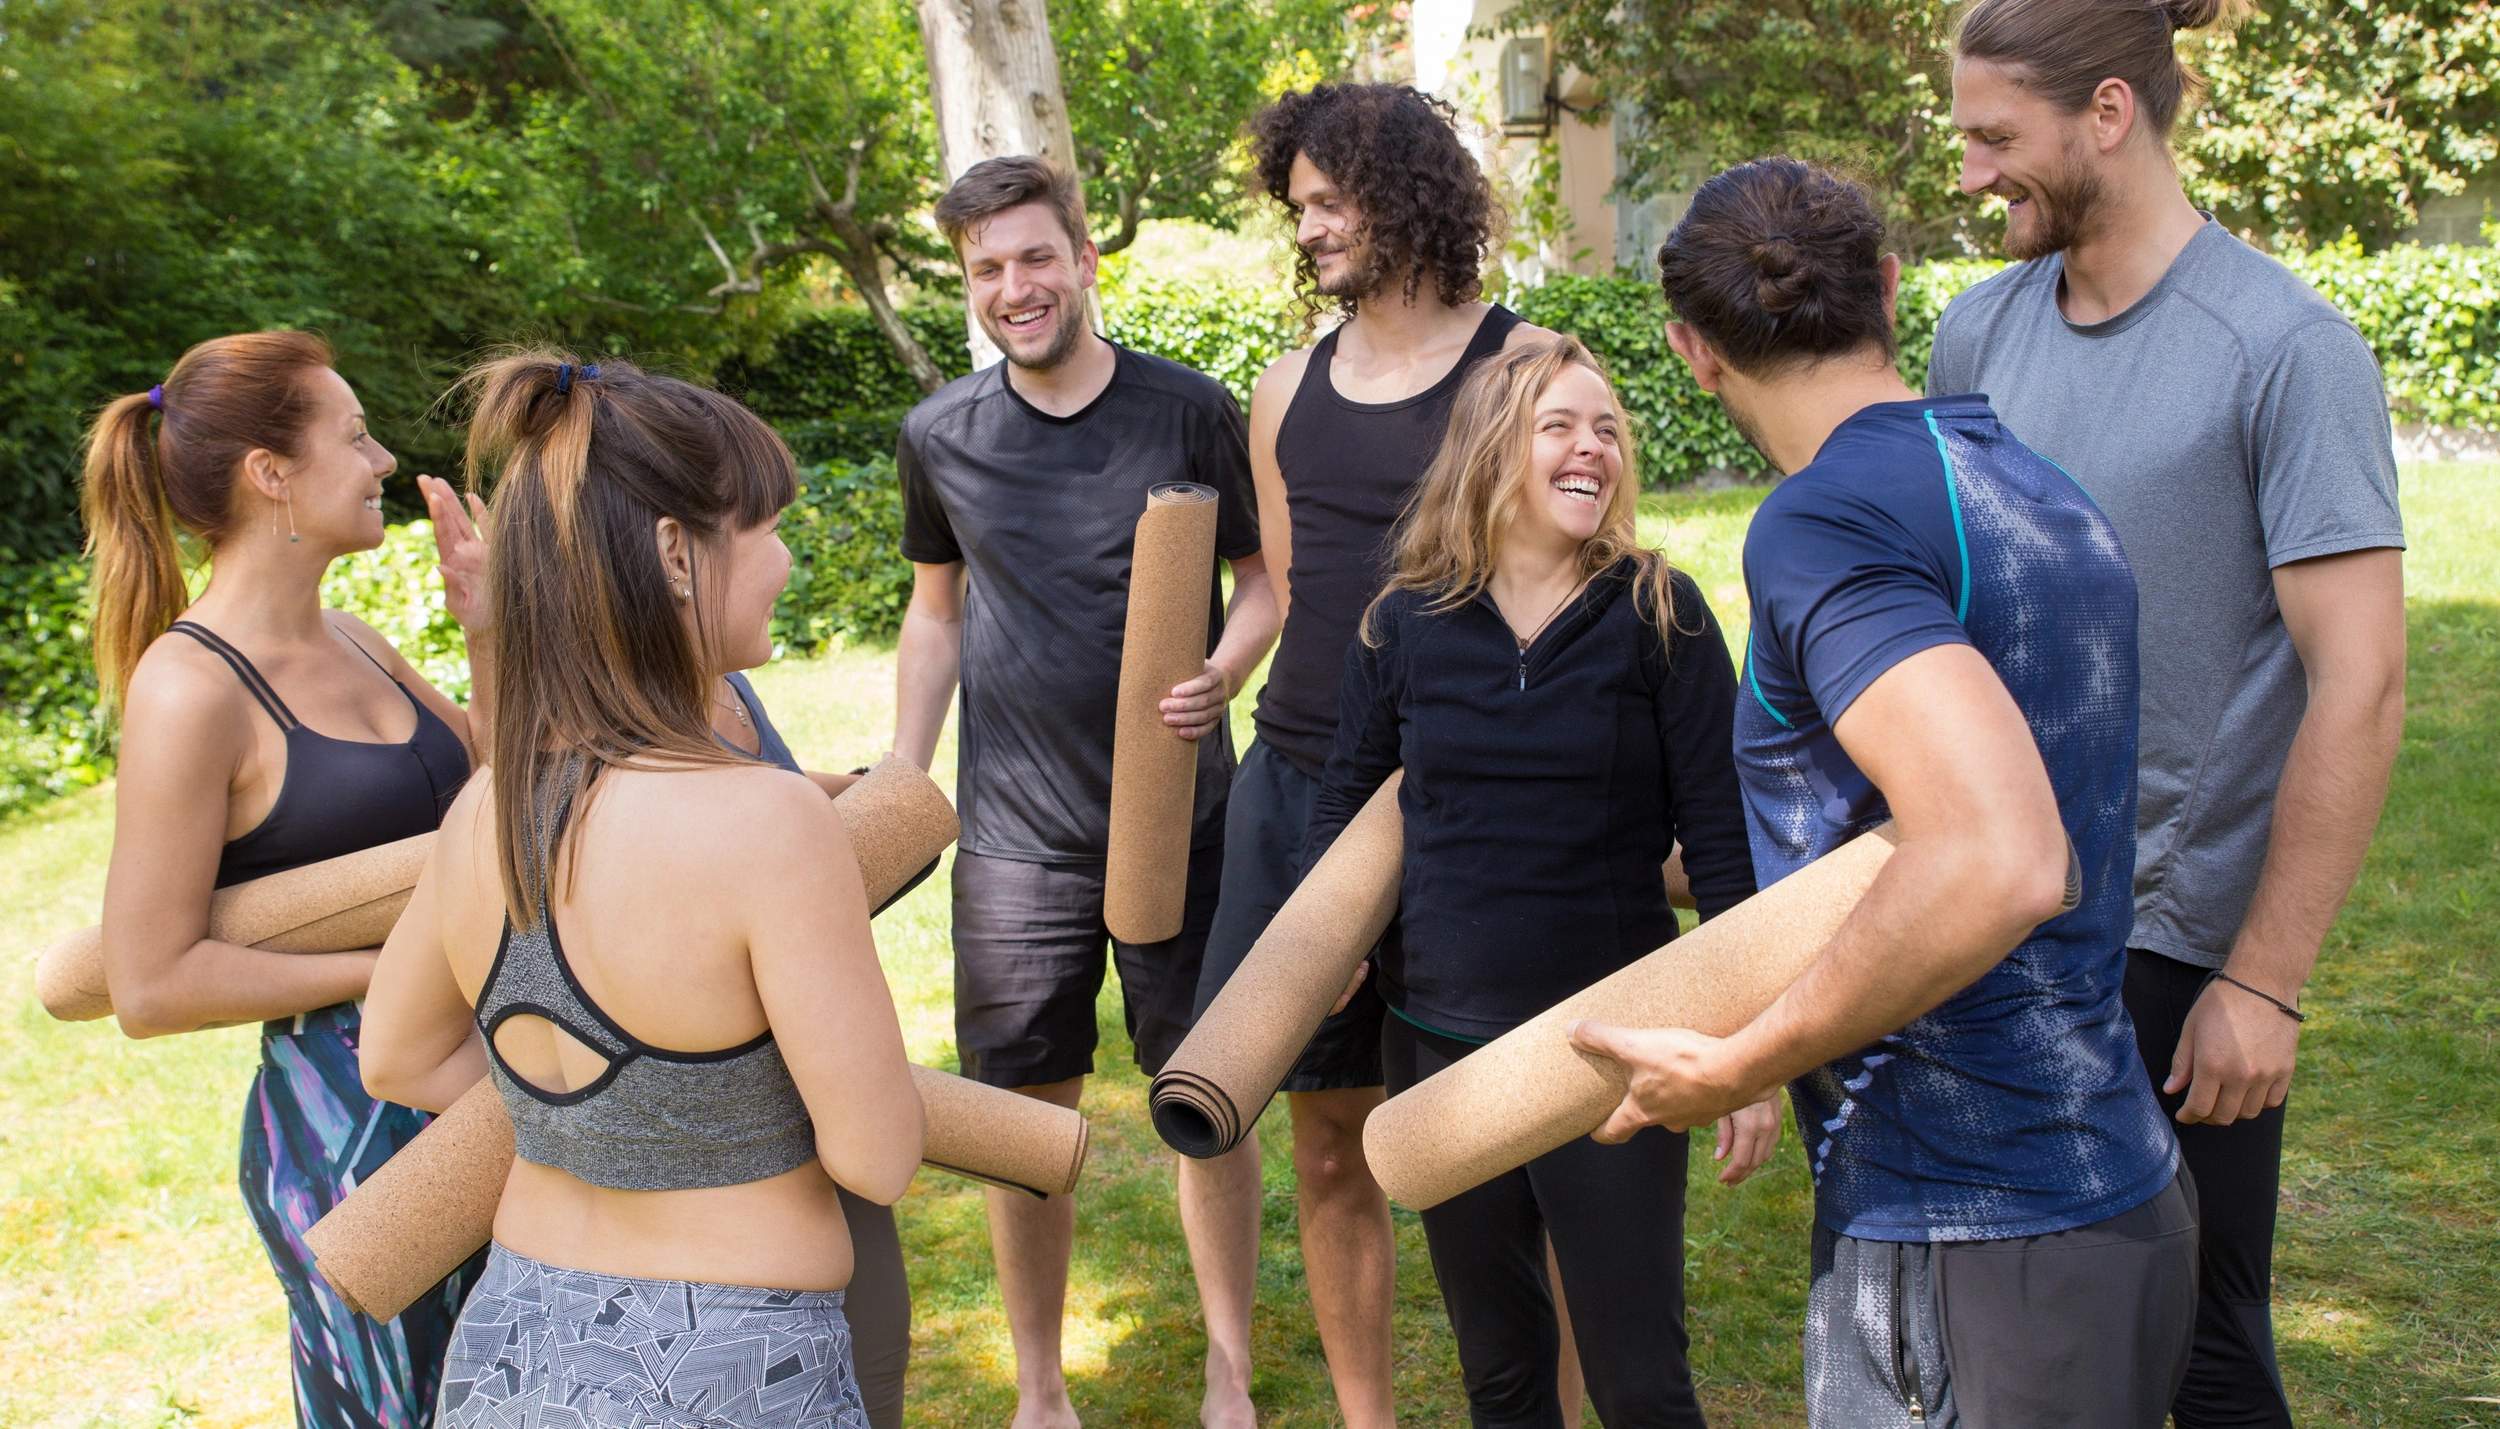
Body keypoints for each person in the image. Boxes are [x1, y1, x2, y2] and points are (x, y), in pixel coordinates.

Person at [1573, 157, 2194, 1427]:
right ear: (1893, 291)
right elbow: (1922, 819)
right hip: (2108, 1188)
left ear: (1693, 351)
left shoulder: (1822, 523)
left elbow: (2000, 855)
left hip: (1972, 1229)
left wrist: (1738, 1060)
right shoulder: (2039, 487)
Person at [1932, 5, 2408, 1420]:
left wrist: (2261, 979)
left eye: (1994, 139)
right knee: (2009, 1333)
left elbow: (2364, 683)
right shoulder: (1978, 336)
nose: (1971, 176)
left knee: (2195, 1340)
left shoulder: (2283, 347)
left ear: (2111, 112)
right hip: (1991, 913)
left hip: (2169, 949)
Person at [360, 352, 923, 1428]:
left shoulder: (488, 807)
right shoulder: (766, 818)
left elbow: (397, 1053)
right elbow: (877, 1151)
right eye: (766, 530)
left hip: (513, 1338)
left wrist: (613, 1111)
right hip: (728, 1359)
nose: (788, 563)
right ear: (675, 550)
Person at [1306, 334, 1770, 1428]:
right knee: (1503, 1377)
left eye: (1608, 428)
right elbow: (1344, 805)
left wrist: (1750, 1048)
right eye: (1558, 424)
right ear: (1491, 451)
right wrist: (1328, 948)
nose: (1591, 447)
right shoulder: (1403, 624)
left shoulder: (1663, 613)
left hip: (1605, 1051)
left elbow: (1721, 841)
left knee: (1639, 1381)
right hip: (1437, 1046)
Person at [888, 156, 1278, 1429]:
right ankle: (1041, 1388)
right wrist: (904, 771)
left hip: (1181, 820)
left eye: (1034, 256)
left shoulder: (1188, 411)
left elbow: (1265, 578)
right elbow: (933, 615)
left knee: (1206, 1098)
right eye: (988, 268)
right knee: (1016, 1118)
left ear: (1084, 259)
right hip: (1014, 840)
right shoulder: (940, 434)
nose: (1016, 287)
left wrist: (1222, 667)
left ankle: (1229, 1364)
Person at [1188, 82, 1555, 1429]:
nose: (1313, 229)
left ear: (1407, 196)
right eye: (1301, 207)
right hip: (1297, 791)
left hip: (1468, 810)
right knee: (1329, 1140)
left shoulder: (1529, 369)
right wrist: (1225, 672)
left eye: (1334, 202)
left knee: (1505, 1146)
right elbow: (1289, 585)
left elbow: (1572, 588)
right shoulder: (1284, 387)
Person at [82, 331, 491, 1427]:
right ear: (272, 474)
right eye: (354, 436)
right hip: (353, 1138)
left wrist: (485, 631)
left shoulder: (357, 638)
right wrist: (398, 962)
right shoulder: (189, 689)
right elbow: (151, 983)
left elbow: (505, 804)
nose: (385, 459)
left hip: (490, 1085)